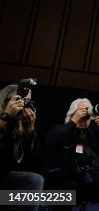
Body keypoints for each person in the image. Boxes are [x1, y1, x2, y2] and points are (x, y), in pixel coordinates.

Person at [44, 98, 99, 211]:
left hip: (92, 184)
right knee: (67, 188)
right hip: (68, 183)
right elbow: (51, 140)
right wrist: (73, 122)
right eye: (81, 112)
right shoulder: (62, 129)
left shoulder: (95, 132)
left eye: (88, 113)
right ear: (72, 114)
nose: (84, 117)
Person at [0, 83, 44, 211]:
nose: (23, 106)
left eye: (27, 102)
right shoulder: (5, 118)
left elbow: (33, 166)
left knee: (56, 197)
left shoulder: (19, 124)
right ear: (5, 101)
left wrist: (30, 130)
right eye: (20, 100)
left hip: (6, 190)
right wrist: (5, 118)